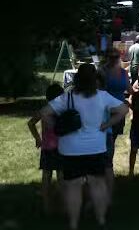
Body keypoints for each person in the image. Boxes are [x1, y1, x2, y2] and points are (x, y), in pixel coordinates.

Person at [39, 64, 128, 230]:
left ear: (77, 78)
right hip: (96, 148)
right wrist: (107, 124)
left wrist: (56, 127)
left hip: (70, 149)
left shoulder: (67, 98)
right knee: (98, 184)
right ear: (94, 79)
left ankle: (73, 223)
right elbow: (123, 109)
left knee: (73, 187)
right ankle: (101, 220)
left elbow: (44, 113)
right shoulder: (102, 96)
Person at [98, 48, 131, 198]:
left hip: (119, 111)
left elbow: (129, 89)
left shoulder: (123, 73)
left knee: (113, 138)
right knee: (107, 139)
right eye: (111, 56)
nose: (113, 59)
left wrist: (136, 95)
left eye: (116, 56)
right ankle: (105, 168)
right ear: (106, 58)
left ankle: (107, 165)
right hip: (105, 111)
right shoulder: (102, 72)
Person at [27, 83, 65, 214]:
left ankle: (47, 207)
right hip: (61, 148)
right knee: (61, 176)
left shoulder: (44, 110)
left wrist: (38, 138)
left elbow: (31, 123)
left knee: (46, 176)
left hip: (47, 148)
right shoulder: (63, 110)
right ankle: (62, 206)